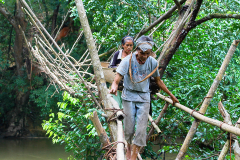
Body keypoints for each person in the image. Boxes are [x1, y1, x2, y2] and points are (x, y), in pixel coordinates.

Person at [109, 35, 179, 160]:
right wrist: (114, 86)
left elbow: (158, 81)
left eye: (148, 54)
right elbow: (117, 79)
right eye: (142, 54)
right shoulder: (127, 61)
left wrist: (171, 95)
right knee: (129, 129)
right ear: (137, 51)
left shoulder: (152, 62)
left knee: (141, 131)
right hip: (128, 96)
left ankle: (133, 157)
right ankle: (129, 148)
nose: (145, 57)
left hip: (144, 97)